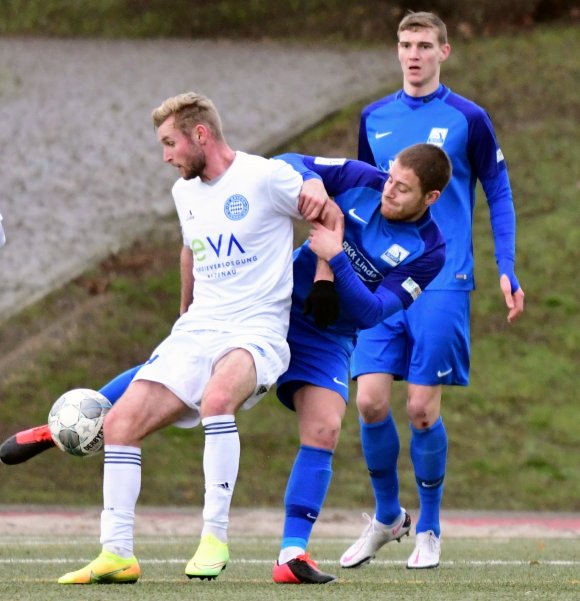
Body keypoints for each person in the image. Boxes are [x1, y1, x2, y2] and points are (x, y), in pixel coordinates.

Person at [51, 91, 330, 585]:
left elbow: (328, 216)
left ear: (200, 134)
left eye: (169, 143)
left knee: (217, 399)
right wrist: (185, 310)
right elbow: (190, 250)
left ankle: (214, 536)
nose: (165, 156)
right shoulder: (185, 193)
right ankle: (117, 554)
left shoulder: (265, 177)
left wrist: (325, 277)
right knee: (119, 424)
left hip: (257, 330)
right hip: (198, 329)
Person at [339, 11, 525, 572]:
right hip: (381, 280)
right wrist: (343, 268)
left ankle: (432, 528)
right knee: (369, 401)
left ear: (444, 52)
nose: (413, 53)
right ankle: (388, 516)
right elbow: (364, 197)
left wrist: (507, 265)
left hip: (444, 279)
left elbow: (498, 187)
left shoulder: (469, 117)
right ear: (396, 51)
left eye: (424, 44)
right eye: (405, 44)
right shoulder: (374, 117)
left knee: (420, 409)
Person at [270, 143, 450, 584]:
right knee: (198, 384)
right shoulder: (360, 178)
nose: (388, 191)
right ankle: (105, 407)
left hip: (329, 336)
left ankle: (292, 554)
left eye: (403, 189)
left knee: (327, 426)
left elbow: (372, 312)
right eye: (390, 179)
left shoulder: (430, 251)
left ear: (430, 198)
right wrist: (310, 181)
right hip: (272, 306)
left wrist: (335, 256)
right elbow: (283, 162)